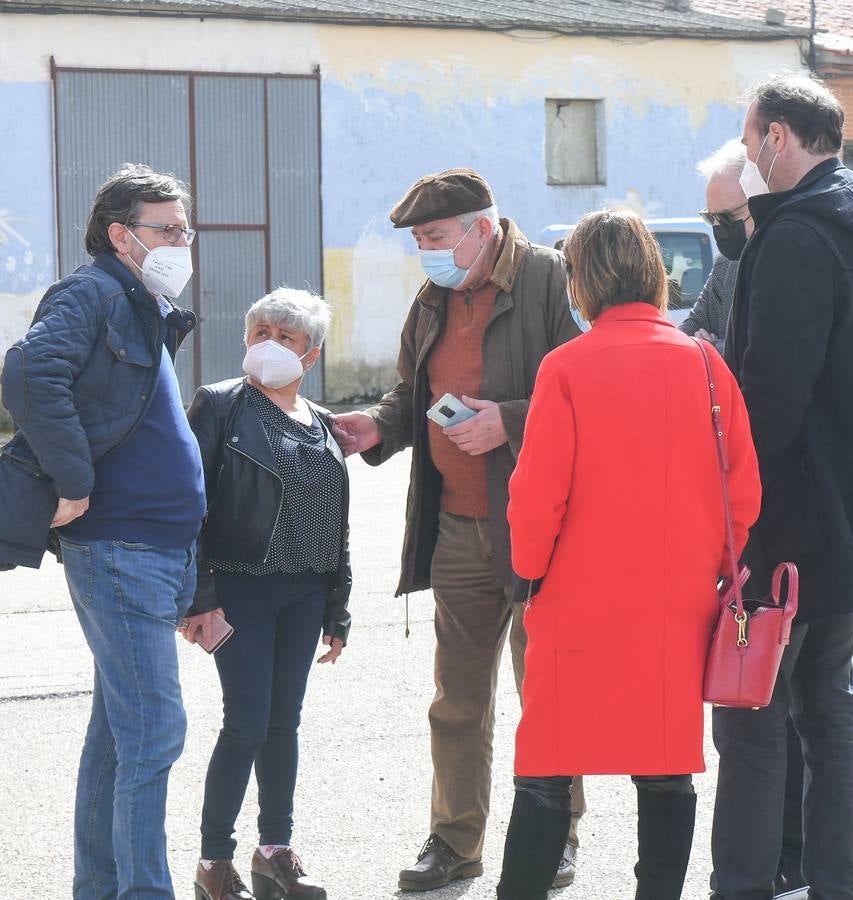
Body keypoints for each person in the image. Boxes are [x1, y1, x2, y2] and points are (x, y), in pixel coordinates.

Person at [709, 74, 853, 900]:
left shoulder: (797, 235)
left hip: (785, 526)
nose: (745, 159)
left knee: (750, 719)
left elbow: (770, 396)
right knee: (828, 709)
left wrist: (728, 507)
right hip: (849, 520)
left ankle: (742, 883)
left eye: (748, 143)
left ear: (779, 137)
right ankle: (833, 879)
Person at [328, 168, 584, 892]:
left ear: (482, 227)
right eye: (417, 242)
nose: (425, 253)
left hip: (541, 530)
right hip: (458, 528)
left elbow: (593, 391)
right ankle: (453, 844)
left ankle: (555, 835)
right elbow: (414, 393)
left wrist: (508, 419)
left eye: (434, 238)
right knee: (457, 702)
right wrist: (373, 426)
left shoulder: (549, 280)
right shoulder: (435, 294)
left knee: (549, 696)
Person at [494, 208, 761, 900]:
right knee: (667, 765)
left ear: (581, 279)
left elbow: (537, 497)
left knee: (548, 766)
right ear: (651, 270)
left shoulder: (568, 367)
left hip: (577, 604)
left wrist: (528, 572)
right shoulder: (704, 364)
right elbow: (744, 490)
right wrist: (715, 569)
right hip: (677, 605)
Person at [0, 164, 206, 899]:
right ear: (121, 235)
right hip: (121, 548)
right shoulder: (92, 292)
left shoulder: (145, 301)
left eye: (186, 228)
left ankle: (100, 887)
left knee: (117, 738)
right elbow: (31, 374)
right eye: (167, 229)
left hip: (160, 549)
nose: (182, 242)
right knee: (156, 730)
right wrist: (74, 480)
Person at [180, 289, 352, 900]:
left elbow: (336, 520)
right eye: (261, 334)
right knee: (246, 723)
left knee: (285, 723)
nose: (271, 346)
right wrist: (198, 597)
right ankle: (213, 863)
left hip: (304, 593)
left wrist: (338, 606)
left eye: (287, 337)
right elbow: (189, 504)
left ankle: (274, 852)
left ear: (312, 354)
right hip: (239, 588)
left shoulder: (323, 423)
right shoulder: (220, 406)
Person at [685, 138, 807, 899]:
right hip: (734, 506)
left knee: (760, 706)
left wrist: (714, 363)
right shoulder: (734, 264)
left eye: (729, 217)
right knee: (766, 703)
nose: (721, 233)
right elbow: (694, 335)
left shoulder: (796, 264)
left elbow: (756, 378)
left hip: (775, 514)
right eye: (713, 219)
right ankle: (778, 862)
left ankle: (756, 874)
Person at [680, 139, 752, 355]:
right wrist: (705, 346)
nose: (719, 227)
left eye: (727, 217)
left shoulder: (789, 262)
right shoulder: (725, 264)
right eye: (711, 217)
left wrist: (712, 348)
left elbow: (765, 350)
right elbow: (688, 332)